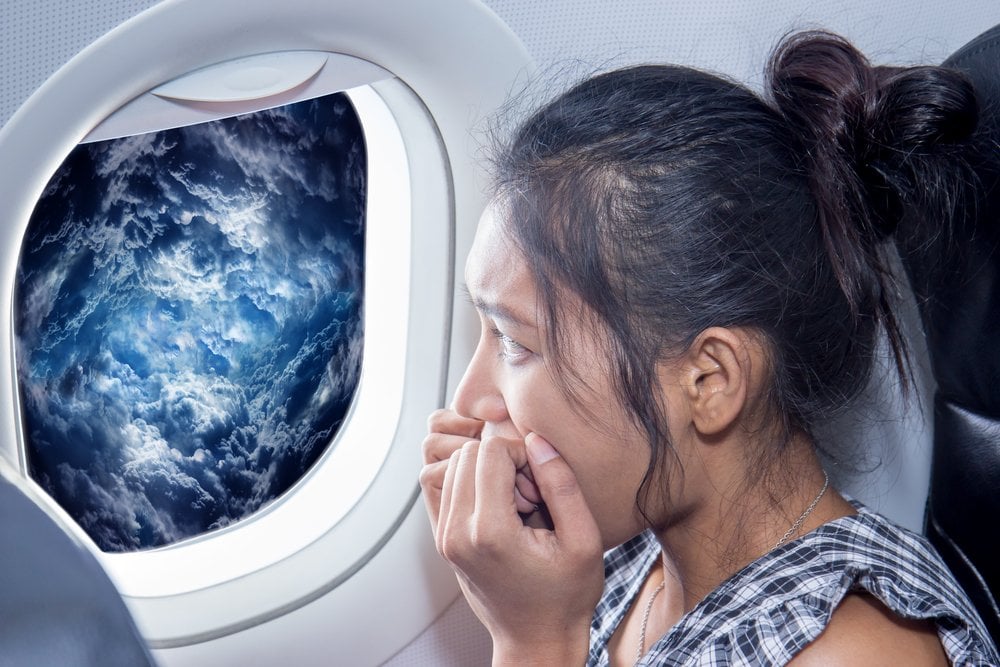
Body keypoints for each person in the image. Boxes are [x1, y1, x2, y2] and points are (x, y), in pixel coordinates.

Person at [419, 30, 999, 666]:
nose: (469, 401)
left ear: (708, 382)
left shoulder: (859, 653)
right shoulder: (630, 553)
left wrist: (533, 639)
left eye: (514, 342)